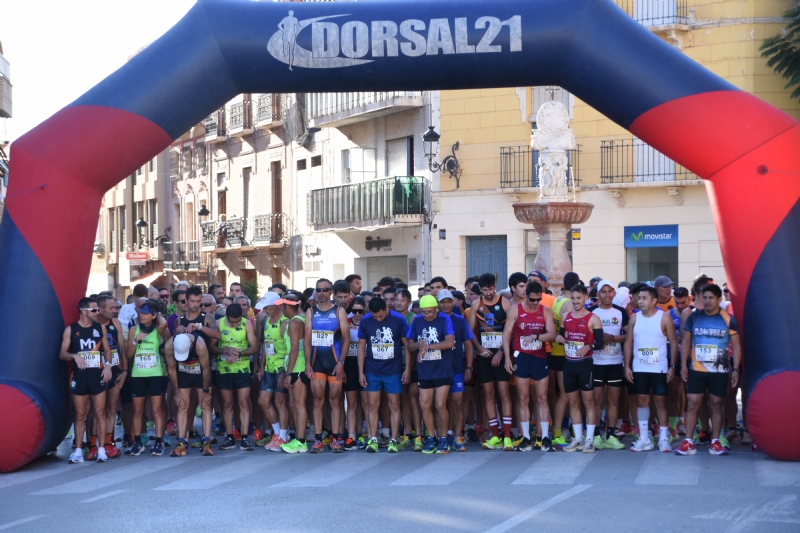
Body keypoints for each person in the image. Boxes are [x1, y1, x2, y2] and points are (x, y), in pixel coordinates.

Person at [676, 284, 741, 456]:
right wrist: (683, 365)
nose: (707, 301)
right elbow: (685, 342)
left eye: (711, 298)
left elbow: (736, 345)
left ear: (719, 300)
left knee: (716, 405)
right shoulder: (694, 317)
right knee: (693, 404)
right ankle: (688, 442)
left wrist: (735, 369)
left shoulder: (728, 318)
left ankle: (715, 441)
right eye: (704, 297)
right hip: (697, 369)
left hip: (719, 370)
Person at [503, 281, 557, 452]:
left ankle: (545, 437)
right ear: (526, 295)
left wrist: (536, 337)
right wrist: (507, 357)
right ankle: (525, 436)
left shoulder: (545, 311)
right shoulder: (515, 309)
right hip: (522, 357)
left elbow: (552, 334)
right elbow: (506, 334)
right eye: (533, 300)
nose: (535, 303)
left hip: (539, 358)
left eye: (538, 299)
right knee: (523, 397)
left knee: (542, 398)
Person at [623, 285, 678, 452]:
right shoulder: (634, 319)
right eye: (639, 298)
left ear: (654, 301)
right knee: (642, 401)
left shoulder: (664, 318)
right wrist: (627, 366)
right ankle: (644, 438)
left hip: (659, 367)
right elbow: (628, 343)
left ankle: (663, 437)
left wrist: (672, 366)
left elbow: (674, 343)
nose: (640, 301)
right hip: (639, 367)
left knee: (660, 402)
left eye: (644, 298)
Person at [61, 297, 113, 463]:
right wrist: (74, 355)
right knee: (80, 415)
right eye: (94, 310)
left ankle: (102, 450)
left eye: (97, 310)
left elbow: (107, 350)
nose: (97, 313)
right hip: (80, 375)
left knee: (99, 413)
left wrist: (108, 365)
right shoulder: (71, 329)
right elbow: (62, 353)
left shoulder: (100, 328)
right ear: (84, 311)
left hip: (97, 375)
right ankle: (78, 451)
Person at [357, 297, 411, 453]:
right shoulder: (366, 321)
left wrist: (407, 369)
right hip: (372, 369)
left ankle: (393, 440)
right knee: (372, 404)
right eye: (375, 317)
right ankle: (373, 438)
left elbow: (407, 346)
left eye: (381, 316)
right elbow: (361, 347)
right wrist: (361, 372)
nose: (378, 319)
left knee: (394, 404)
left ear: (387, 308)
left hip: (393, 370)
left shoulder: (398, 320)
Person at [556, 285, 604, 453]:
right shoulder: (565, 317)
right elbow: (560, 337)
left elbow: (599, 342)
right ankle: (577, 439)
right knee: (573, 402)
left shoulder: (593, 318)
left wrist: (589, 346)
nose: (576, 301)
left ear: (585, 298)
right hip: (569, 364)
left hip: (585, 364)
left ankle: (589, 440)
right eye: (573, 298)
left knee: (588, 402)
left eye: (579, 298)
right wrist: (559, 338)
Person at [469, 273, 513, 451]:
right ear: (480, 289)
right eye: (484, 290)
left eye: (490, 289)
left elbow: (510, 331)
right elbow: (470, 331)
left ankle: (508, 436)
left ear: (495, 287)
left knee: (504, 394)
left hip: (501, 354)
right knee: (488, 394)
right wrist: (479, 349)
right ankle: (495, 435)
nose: (488, 292)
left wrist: (501, 353)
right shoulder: (475, 305)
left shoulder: (505, 303)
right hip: (484, 355)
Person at [305, 278, 351, 453]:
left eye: (325, 290)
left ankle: (337, 438)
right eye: (319, 290)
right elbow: (308, 339)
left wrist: (341, 362)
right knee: (317, 400)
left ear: (331, 292)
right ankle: (318, 439)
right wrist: (308, 363)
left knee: (336, 400)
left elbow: (346, 338)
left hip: (334, 362)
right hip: (317, 362)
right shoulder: (311, 311)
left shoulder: (339, 311)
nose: (322, 293)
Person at [408, 295, 455, 454]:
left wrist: (429, 347)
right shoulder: (417, 320)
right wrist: (418, 344)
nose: (427, 315)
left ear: (436, 309)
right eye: (424, 312)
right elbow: (409, 345)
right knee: (425, 404)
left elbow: (450, 342)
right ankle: (431, 437)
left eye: (430, 312)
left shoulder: (444, 319)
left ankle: (443, 438)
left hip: (442, 368)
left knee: (440, 404)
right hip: (424, 369)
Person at [126, 299, 172, 456]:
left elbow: (164, 322)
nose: (142, 316)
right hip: (138, 375)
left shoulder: (157, 330)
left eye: (145, 313)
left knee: (156, 410)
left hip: (155, 375)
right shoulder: (134, 329)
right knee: (137, 411)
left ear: (153, 315)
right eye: (140, 313)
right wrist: (135, 341)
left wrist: (156, 312)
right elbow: (128, 354)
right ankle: (138, 441)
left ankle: (159, 441)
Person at [587, 280, 629, 450]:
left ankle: (610, 435)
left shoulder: (620, 312)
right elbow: (585, 334)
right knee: (597, 400)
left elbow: (628, 334)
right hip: (596, 362)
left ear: (614, 293)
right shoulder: (591, 312)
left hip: (615, 362)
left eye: (609, 291)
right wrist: (599, 337)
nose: (606, 295)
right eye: (602, 292)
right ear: (598, 294)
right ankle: (596, 435)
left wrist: (612, 338)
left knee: (613, 400)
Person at [210, 303, 258, 451]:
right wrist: (225, 350)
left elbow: (255, 346)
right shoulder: (218, 324)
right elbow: (211, 347)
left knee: (244, 402)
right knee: (226, 404)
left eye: (237, 321)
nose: (235, 324)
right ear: (226, 316)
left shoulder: (246, 324)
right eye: (232, 322)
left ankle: (244, 437)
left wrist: (240, 353)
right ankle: (229, 437)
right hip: (224, 369)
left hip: (242, 368)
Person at [164, 332, 214, 456]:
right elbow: (171, 369)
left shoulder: (200, 344)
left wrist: (206, 391)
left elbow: (206, 369)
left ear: (190, 344)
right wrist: (176, 391)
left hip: (200, 373)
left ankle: (206, 442)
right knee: (182, 405)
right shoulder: (169, 345)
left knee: (205, 405)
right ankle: (181, 443)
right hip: (183, 373)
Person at [437, 289, 474, 451]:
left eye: (449, 302)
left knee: (457, 402)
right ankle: (444, 435)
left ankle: (457, 436)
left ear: (454, 302)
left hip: (457, 367)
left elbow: (468, 344)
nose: (446, 305)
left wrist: (469, 366)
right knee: (440, 404)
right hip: (438, 369)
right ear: (438, 304)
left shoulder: (459, 320)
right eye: (443, 302)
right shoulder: (433, 318)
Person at [255, 292, 290, 451]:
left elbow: (289, 349)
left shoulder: (285, 322)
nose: (265, 310)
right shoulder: (266, 320)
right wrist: (261, 366)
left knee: (280, 402)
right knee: (263, 400)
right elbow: (264, 344)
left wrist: (284, 371)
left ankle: (283, 436)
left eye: (267, 307)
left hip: (280, 367)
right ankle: (277, 434)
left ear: (276, 305)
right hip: (268, 367)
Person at [548, 271, 579, 448]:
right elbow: (568, 330)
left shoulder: (557, 300)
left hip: (557, 352)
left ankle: (564, 428)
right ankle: (558, 431)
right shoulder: (568, 305)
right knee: (566, 395)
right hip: (563, 353)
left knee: (564, 395)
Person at [279, 293, 312, 453]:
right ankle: (298, 438)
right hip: (295, 367)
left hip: (297, 368)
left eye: (281, 305)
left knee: (299, 404)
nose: (280, 308)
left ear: (287, 306)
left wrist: (289, 373)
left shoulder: (295, 322)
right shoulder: (297, 320)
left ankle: (301, 440)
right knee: (294, 404)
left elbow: (294, 350)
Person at [95, 295, 126, 459]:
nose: (115, 311)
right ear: (100, 309)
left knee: (111, 408)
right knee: (96, 411)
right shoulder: (93, 325)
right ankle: (93, 444)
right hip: (96, 371)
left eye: (116, 308)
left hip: (114, 370)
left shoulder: (116, 324)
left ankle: (109, 442)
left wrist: (125, 371)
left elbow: (122, 348)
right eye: (112, 308)